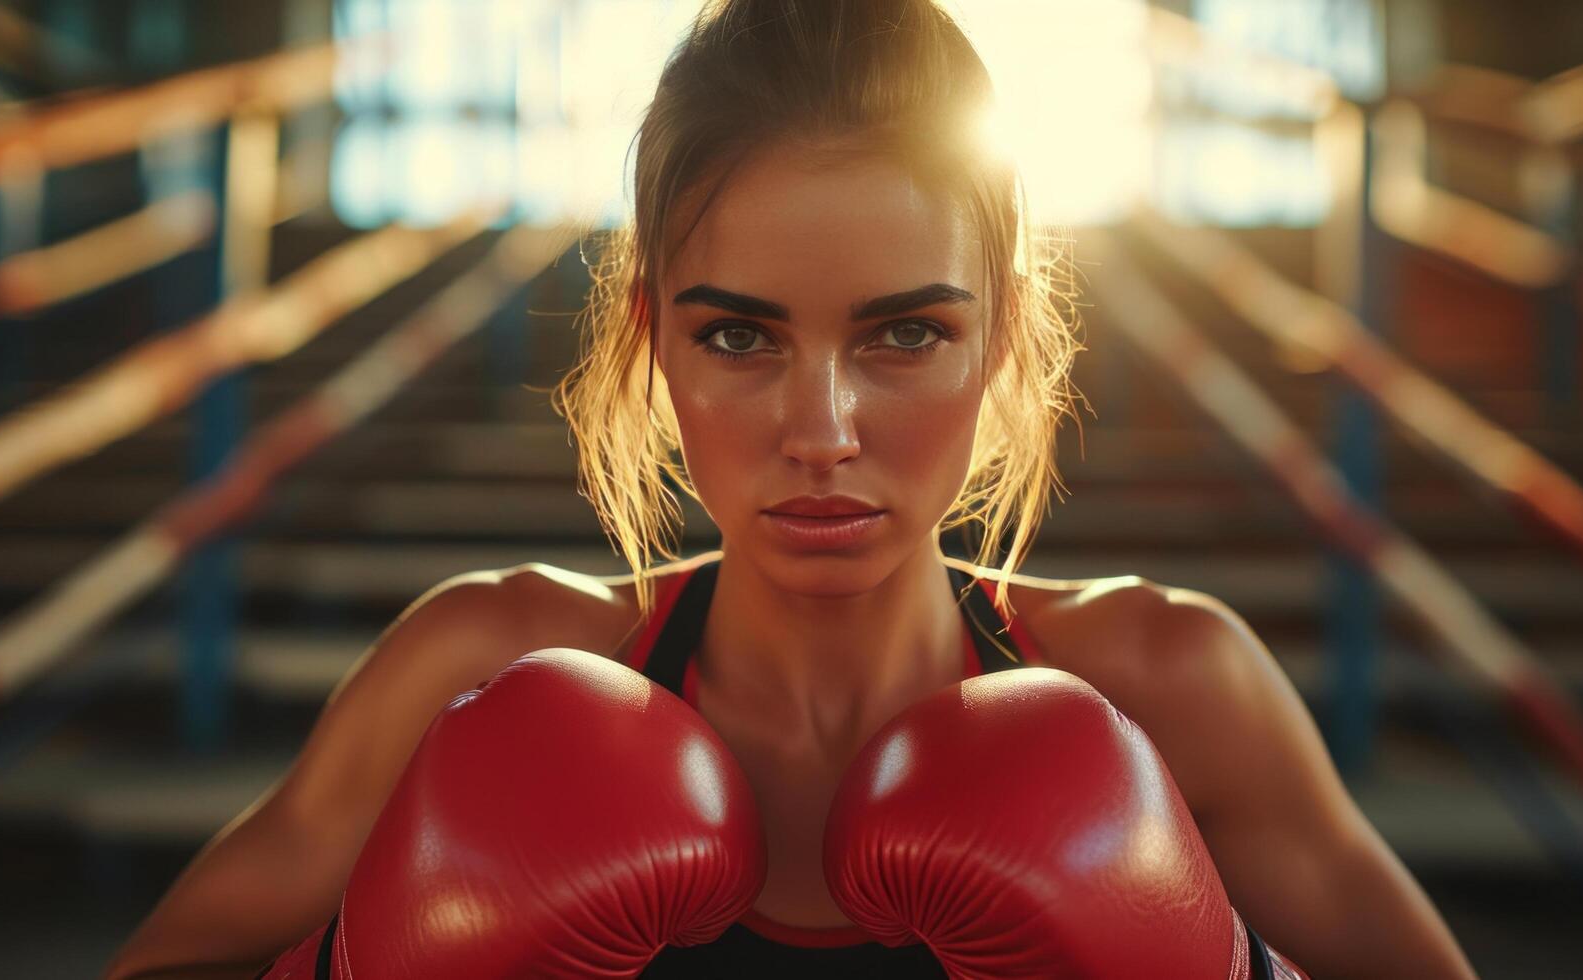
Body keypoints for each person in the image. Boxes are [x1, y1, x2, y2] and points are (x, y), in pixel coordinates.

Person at [107, 1, 1479, 977]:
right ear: (650, 335)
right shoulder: (477, 662)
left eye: (903, 333)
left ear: (1002, 334)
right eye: (739, 336)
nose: (820, 431)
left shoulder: (1175, 686)